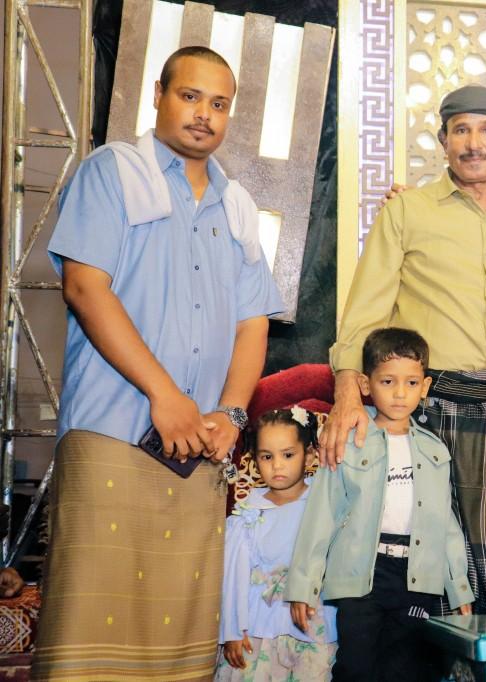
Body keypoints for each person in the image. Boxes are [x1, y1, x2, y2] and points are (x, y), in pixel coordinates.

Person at [33, 46, 283, 680]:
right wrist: (165, 396)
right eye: (190, 96)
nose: (204, 114)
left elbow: (253, 322)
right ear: (158, 96)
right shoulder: (113, 172)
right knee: (89, 638)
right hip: (113, 432)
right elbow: (85, 288)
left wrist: (231, 413)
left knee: (180, 643)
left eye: (219, 103)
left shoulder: (237, 205)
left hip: (199, 449)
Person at [321, 85, 486, 613]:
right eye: (461, 130)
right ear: (443, 141)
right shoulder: (407, 212)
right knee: (419, 552)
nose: (473, 143)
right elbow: (364, 312)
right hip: (422, 411)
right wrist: (347, 394)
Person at [287, 328, 474, 681]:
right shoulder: (347, 443)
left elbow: (446, 525)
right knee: (356, 667)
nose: (400, 393)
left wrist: (458, 586)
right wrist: (303, 585)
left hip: (416, 577)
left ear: (425, 386)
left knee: (408, 670)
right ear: (365, 384)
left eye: (411, 383)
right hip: (362, 575)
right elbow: (321, 515)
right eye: (388, 381)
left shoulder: (435, 450)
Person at [215, 408, 337, 681]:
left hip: (311, 625)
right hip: (259, 627)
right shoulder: (248, 513)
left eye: (288, 455)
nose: (277, 465)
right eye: (267, 456)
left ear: (309, 455)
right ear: (255, 460)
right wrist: (232, 631)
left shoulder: (324, 504)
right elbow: (233, 577)